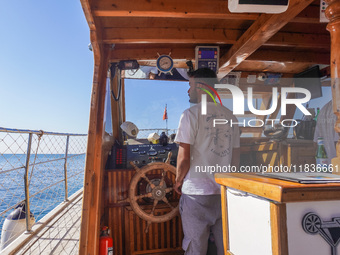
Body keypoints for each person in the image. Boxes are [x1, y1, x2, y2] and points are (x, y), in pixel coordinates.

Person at [174, 68, 240, 255]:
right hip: (224, 193)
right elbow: (235, 159)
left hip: (196, 195)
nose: (188, 91)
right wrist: (230, 187)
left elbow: (184, 158)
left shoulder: (190, 115)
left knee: (195, 248)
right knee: (227, 247)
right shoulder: (231, 117)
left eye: (191, 86)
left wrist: (178, 182)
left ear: (202, 87)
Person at [313, 100, 339, 165]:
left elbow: (315, 142)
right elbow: (337, 141)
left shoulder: (323, 109)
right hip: (336, 165)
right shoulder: (337, 109)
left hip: (324, 165)